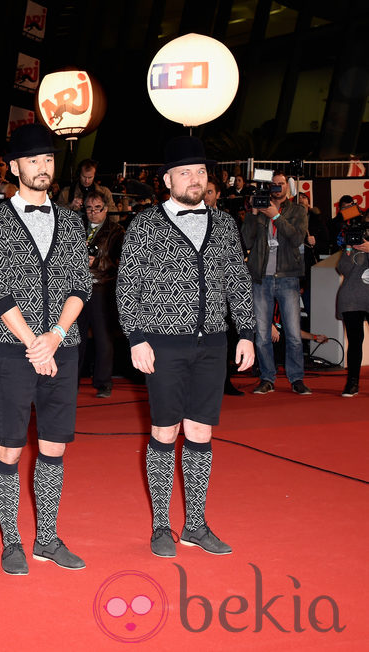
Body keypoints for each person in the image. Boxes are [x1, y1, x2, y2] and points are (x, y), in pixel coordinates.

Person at [117, 136, 255, 558]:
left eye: (200, 172)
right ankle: (162, 526)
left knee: (200, 432)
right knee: (164, 432)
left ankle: (195, 524)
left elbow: (237, 280)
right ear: (167, 180)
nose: (194, 179)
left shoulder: (225, 223)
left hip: (212, 343)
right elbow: (127, 286)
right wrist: (136, 337)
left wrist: (246, 331)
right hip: (162, 344)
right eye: (185, 173)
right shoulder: (144, 225)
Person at [0, 123, 91, 575]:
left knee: (54, 448)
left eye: (48, 160)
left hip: (63, 347)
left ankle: (47, 538)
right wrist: (33, 344)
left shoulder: (70, 219)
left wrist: (57, 335)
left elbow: (80, 284)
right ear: (16, 167)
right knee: (9, 448)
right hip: (12, 350)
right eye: (33, 161)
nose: (42, 168)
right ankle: (12, 542)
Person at [240, 172, 311, 395]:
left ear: (288, 188)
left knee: (293, 334)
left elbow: (297, 238)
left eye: (281, 185)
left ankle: (296, 378)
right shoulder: (259, 211)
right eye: (274, 185)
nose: (277, 188)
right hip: (261, 278)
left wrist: (276, 216)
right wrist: (253, 213)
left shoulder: (297, 210)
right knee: (261, 335)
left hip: (288, 277)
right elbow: (246, 240)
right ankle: (267, 378)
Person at [77, 190, 124, 397]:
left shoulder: (116, 231)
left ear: (106, 209)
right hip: (78, 289)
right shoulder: (77, 228)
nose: (93, 212)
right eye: (89, 208)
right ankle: (72, 379)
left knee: (104, 337)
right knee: (75, 337)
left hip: (102, 288)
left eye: (98, 208)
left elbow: (121, 265)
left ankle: (104, 382)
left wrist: (97, 262)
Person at [336, 221, 369, 397]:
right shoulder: (351, 248)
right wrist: (349, 248)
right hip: (352, 298)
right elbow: (343, 269)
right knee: (355, 341)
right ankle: (352, 383)